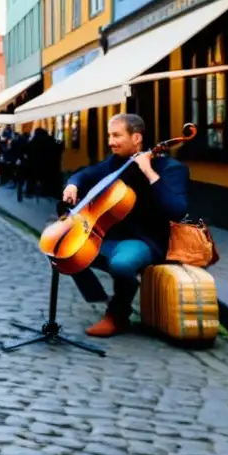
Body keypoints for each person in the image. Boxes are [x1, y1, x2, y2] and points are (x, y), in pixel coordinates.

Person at [62, 113, 189, 338]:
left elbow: (177, 209)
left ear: (137, 137)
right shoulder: (115, 163)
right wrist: (72, 184)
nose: (110, 142)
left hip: (146, 240)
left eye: (116, 136)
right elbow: (87, 174)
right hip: (111, 236)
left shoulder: (170, 168)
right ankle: (98, 296)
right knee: (62, 250)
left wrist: (149, 172)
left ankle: (117, 314)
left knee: (121, 265)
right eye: (109, 136)